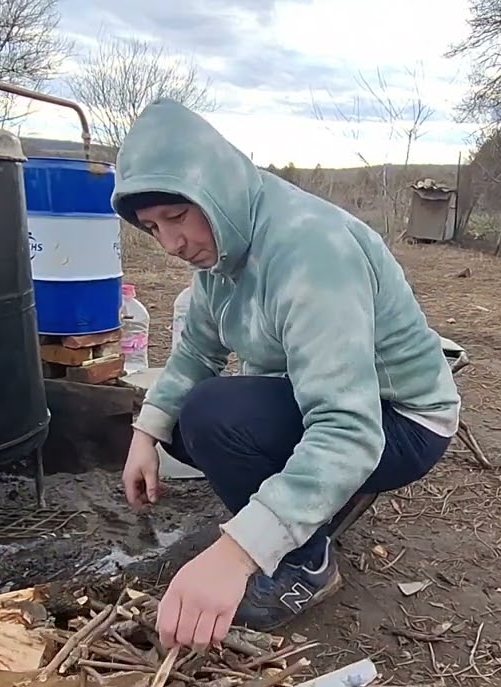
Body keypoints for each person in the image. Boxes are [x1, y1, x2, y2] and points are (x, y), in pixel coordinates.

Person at [112, 98, 461, 651]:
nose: (171, 245)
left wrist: (237, 554)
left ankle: (305, 562)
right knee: (181, 419)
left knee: (212, 414)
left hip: (399, 419)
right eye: (153, 227)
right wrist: (144, 433)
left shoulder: (309, 251)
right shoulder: (222, 250)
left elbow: (350, 430)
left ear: (216, 189)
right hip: (329, 401)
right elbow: (196, 350)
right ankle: (308, 509)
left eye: (177, 217)